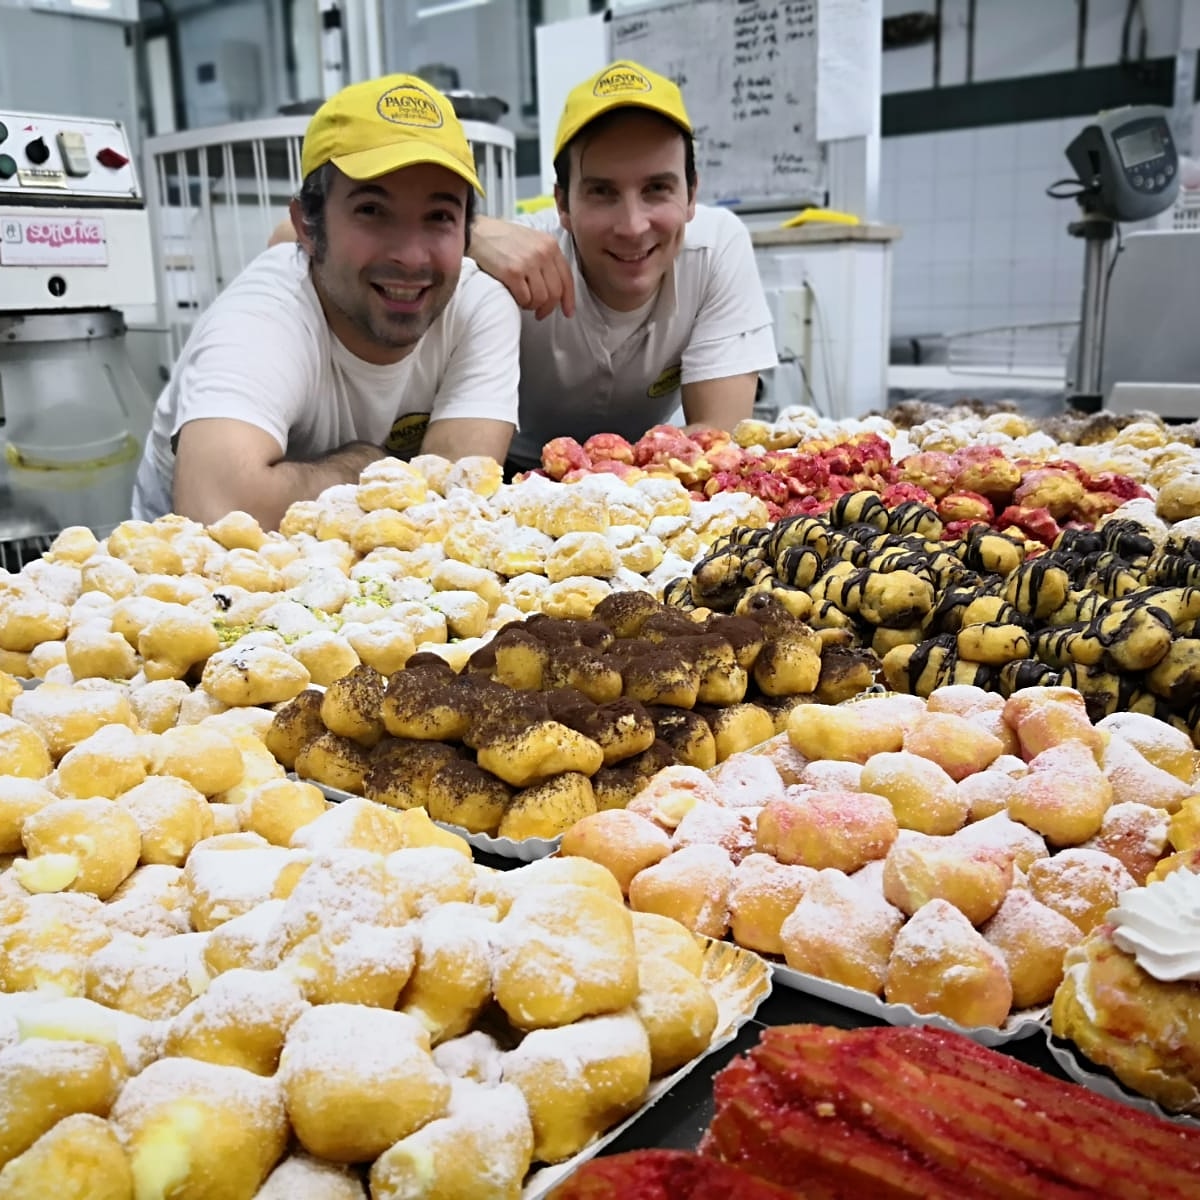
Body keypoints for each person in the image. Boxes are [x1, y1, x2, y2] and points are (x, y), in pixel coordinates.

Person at [132, 73, 521, 531]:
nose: (411, 256)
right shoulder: (263, 313)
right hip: (193, 579)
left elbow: (458, 496)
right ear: (307, 226)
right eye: (372, 211)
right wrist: (369, 464)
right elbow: (218, 507)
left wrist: (296, 486)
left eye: (439, 217)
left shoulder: (479, 306)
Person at [469, 60, 778, 474]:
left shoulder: (715, 249)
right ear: (562, 205)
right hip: (517, 474)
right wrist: (468, 233)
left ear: (691, 196)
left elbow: (719, 438)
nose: (633, 227)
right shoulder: (513, 260)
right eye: (602, 192)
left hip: (658, 479)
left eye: (656, 189)